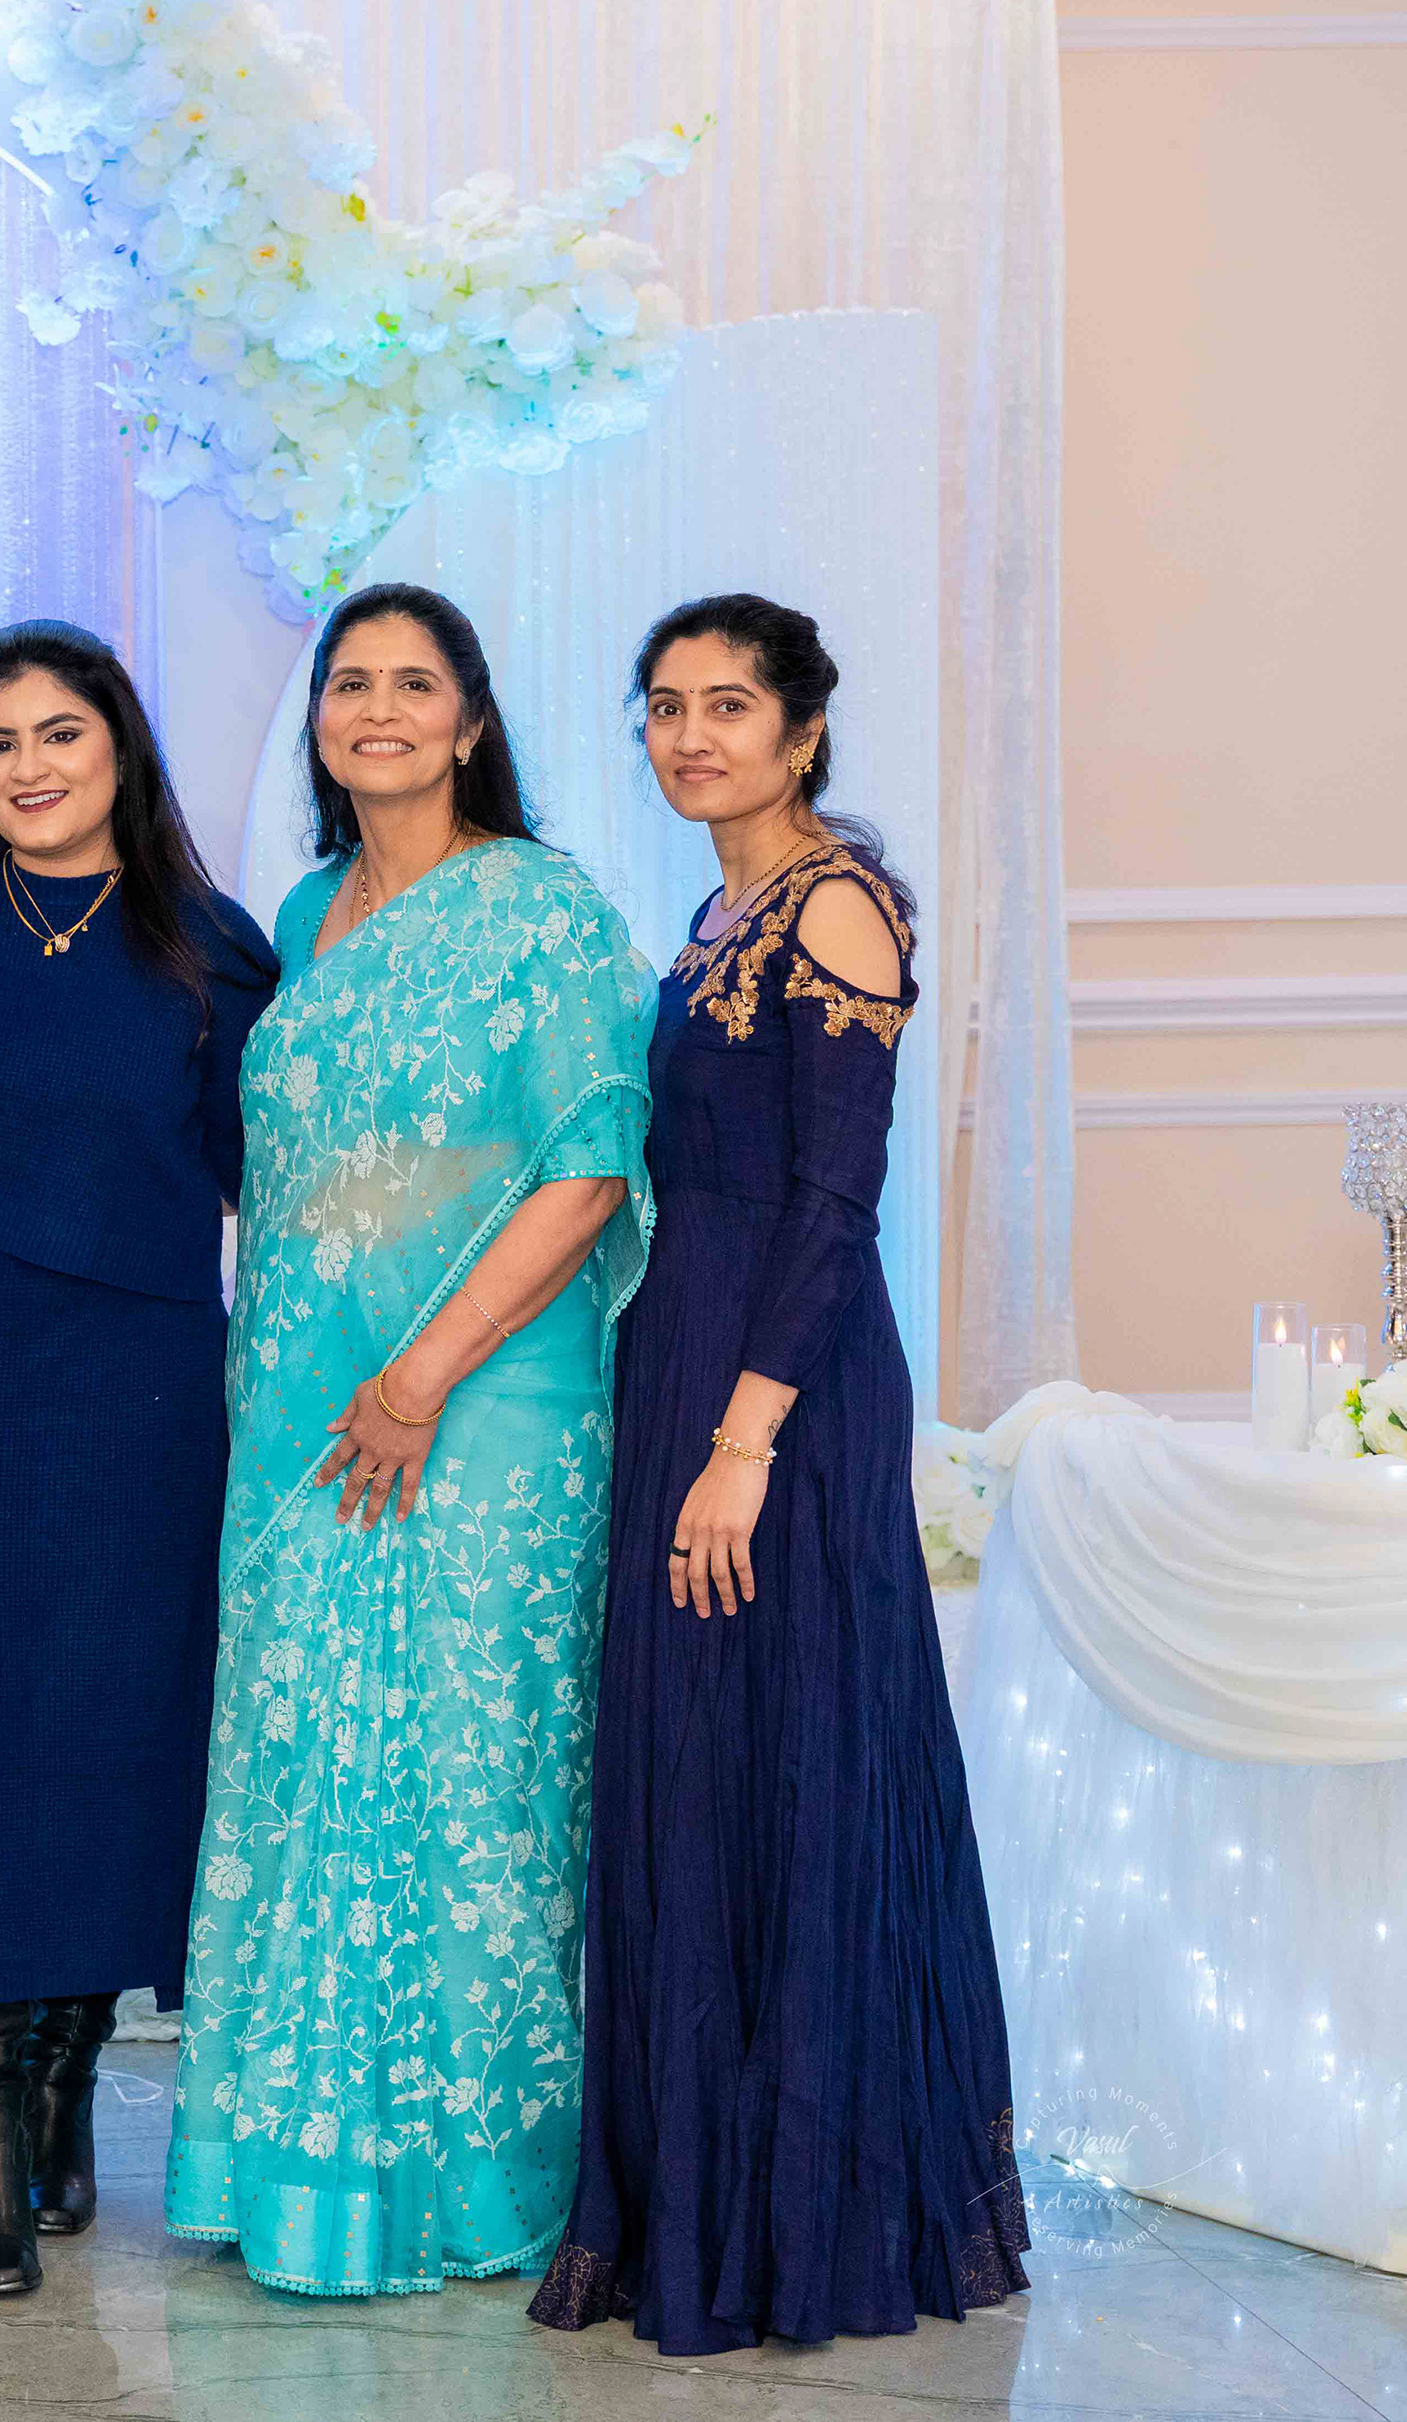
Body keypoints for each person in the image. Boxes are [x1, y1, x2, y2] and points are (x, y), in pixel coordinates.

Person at [530, 595, 1027, 2352]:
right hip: (689, 1359)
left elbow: (835, 1203)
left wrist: (745, 1442)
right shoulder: (716, 913)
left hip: (783, 1395)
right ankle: (706, 2204)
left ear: (803, 730)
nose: (690, 736)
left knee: (793, 1762)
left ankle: (807, 2220)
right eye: (665, 706)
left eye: (728, 705)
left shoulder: (834, 904)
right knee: (702, 1770)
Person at [167, 582, 653, 2301]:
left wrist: (425, 1374)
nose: (377, 708)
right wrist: (348, 1382)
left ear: (470, 720)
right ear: (320, 722)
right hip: (306, 1409)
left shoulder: (544, 910)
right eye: (349, 682)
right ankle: (309, 2172)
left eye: (412, 683)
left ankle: (466, 2179)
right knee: (305, 1762)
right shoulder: (308, 917)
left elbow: (585, 1166)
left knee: (468, 1775)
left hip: (487, 1410)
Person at [0, 621, 279, 2297]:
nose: (27, 766)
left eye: (60, 734)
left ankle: (66, 2075)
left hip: (142, 1389)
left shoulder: (211, 948)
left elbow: (274, 1179)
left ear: (120, 749)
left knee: (115, 1728)